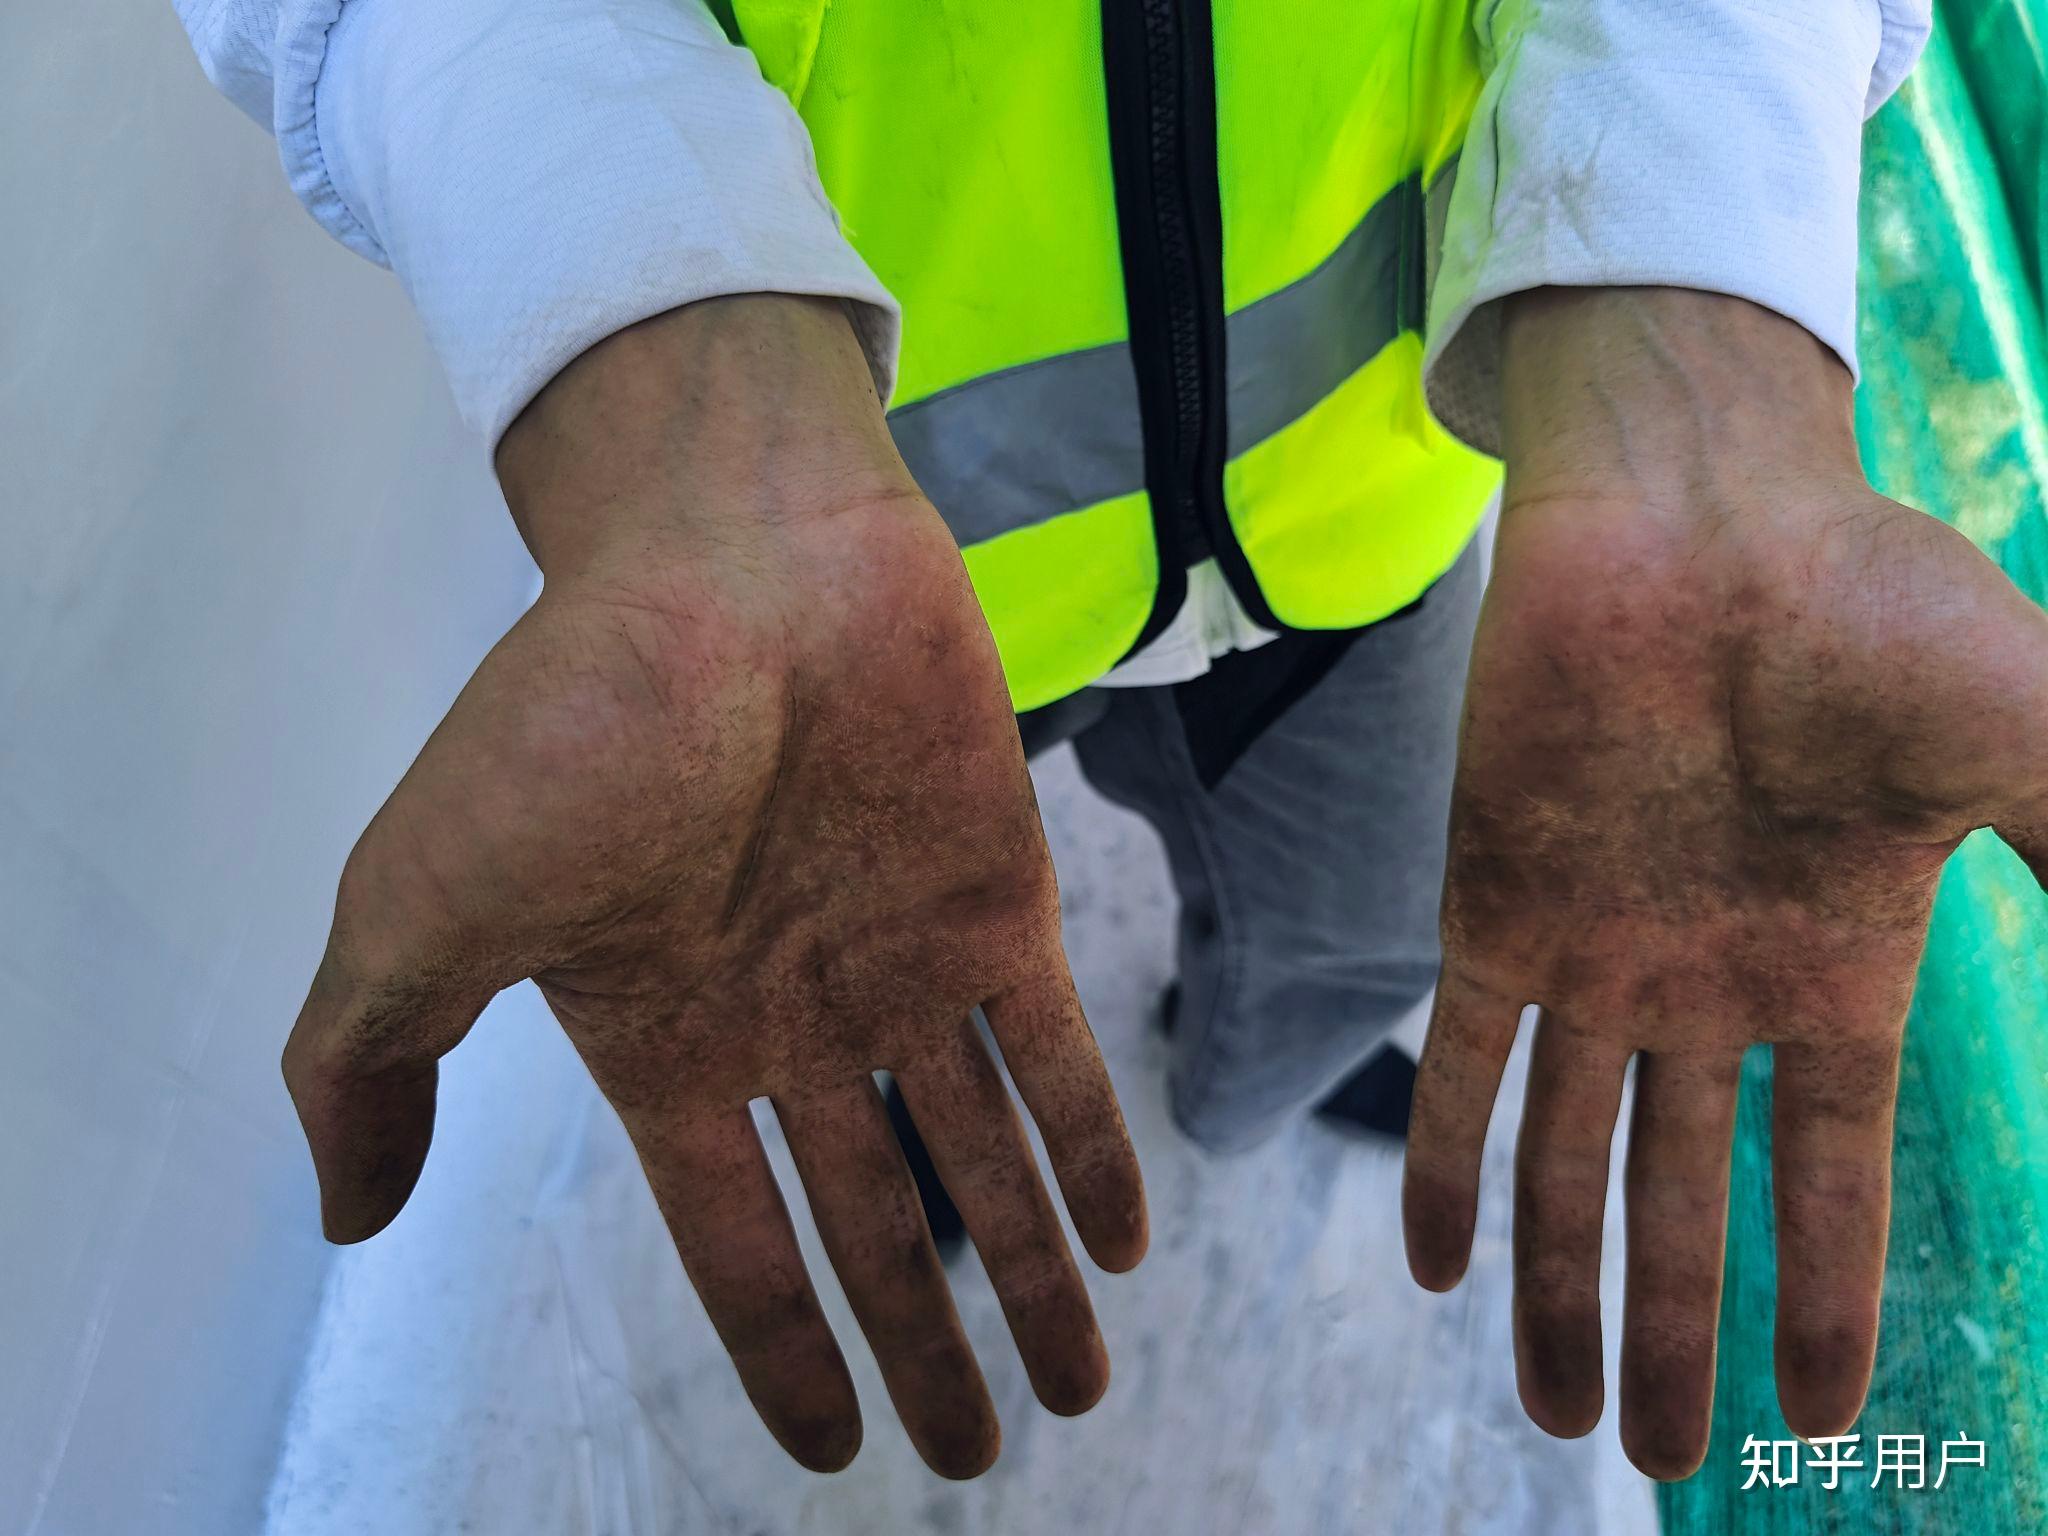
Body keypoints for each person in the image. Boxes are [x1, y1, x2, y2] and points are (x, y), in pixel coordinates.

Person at [176, 0, 2047, 1488]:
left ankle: (1239, 1070)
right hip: (888, 573)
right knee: (876, 961)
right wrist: (676, 413)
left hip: (1360, 516)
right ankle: (939, 1122)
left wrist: (1699, 355)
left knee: (1361, 934)